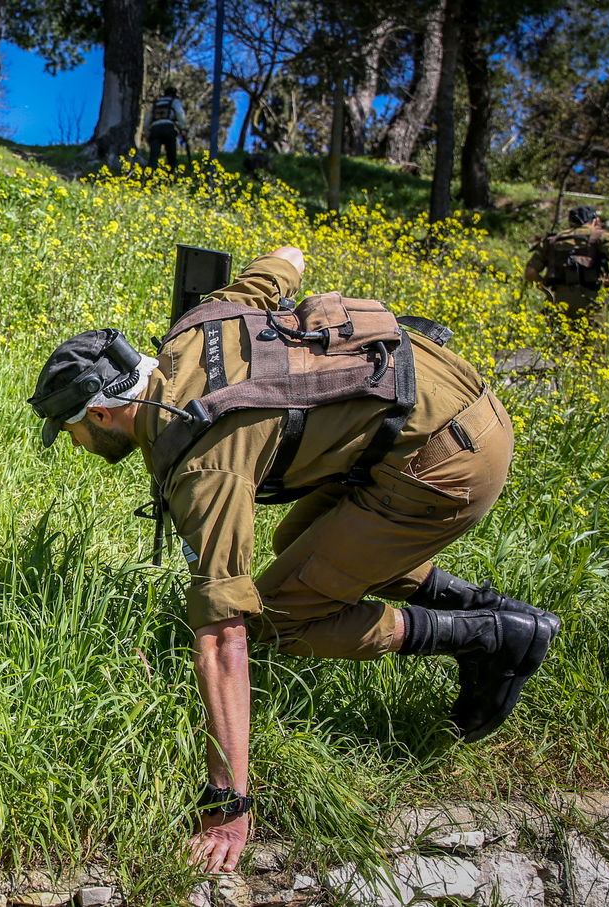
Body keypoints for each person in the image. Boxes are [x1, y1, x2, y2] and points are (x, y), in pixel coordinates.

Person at [27, 246, 560, 873]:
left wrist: (228, 800)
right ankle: (491, 609)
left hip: (446, 462)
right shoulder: (199, 324)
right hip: (442, 406)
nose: (78, 445)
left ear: (104, 411)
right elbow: (288, 257)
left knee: (276, 619)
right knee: (298, 550)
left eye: (73, 432)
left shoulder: (204, 467)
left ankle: (491, 637)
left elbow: (225, 637)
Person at [524, 205, 609, 329]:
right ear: (595, 221)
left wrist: (547, 291)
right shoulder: (601, 236)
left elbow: (530, 272)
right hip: (590, 299)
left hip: (558, 299)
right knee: (591, 345)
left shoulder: (553, 239)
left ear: (570, 222)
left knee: (558, 345)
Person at [144, 86, 189, 170]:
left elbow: (147, 121)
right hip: (168, 128)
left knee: (153, 156)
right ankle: (172, 173)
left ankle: (150, 174)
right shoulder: (174, 101)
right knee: (171, 155)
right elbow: (180, 114)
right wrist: (183, 128)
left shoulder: (155, 104)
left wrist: (147, 134)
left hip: (155, 129)